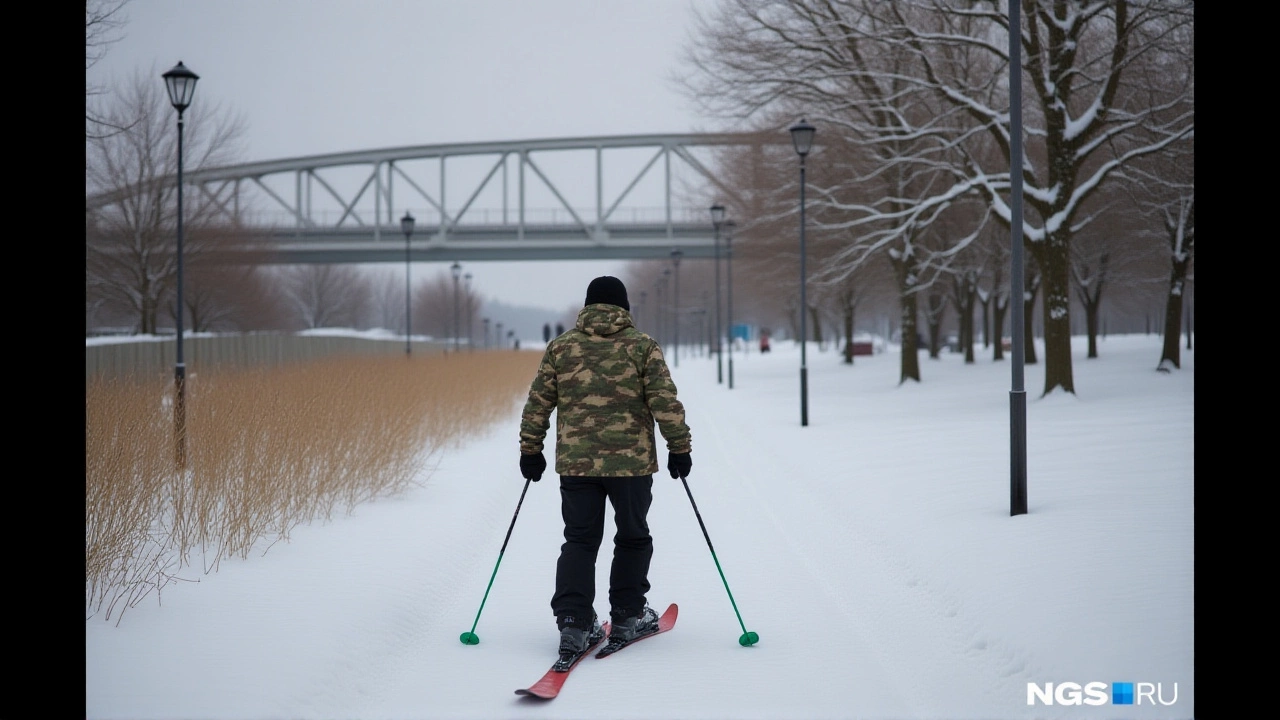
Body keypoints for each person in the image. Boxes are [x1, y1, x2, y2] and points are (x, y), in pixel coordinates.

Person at [518, 275, 693, 661]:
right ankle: (628, 616)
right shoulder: (642, 346)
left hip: (577, 465)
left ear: (587, 306)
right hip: (631, 466)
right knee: (632, 536)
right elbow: (665, 401)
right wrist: (679, 448)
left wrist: (531, 449)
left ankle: (574, 623)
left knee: (579, 540)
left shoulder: (561, 347)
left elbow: (538, 402)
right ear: (624, 307)